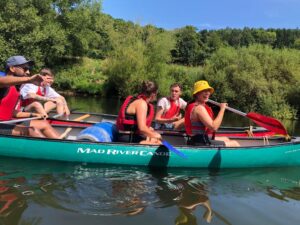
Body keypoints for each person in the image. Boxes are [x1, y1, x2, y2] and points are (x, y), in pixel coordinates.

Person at [0, 55, 60, 139]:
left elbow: (13, 112)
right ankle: (52, 149)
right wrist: (29, 80)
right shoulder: (3, 84)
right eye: (24, 69)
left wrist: (33, 114)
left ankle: (65, 147)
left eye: (28, 69)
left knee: (44, 124)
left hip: (8, 122)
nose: (28, 72)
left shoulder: (17, 88)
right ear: (12, 68)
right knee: (31, 131)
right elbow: (2, 80)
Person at [185, 80, 239, 147]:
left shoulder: (195, 106)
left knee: (226, 138)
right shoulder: (199, 108)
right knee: (235, 143)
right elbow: (214, 128)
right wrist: (222, 109)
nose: (207, 93)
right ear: (197, 94)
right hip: (200, 143)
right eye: (204, 91)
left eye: (208, 91)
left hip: (198, 139)